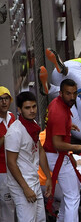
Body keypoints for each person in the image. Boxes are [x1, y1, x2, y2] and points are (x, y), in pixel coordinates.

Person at [44, 79, 81, 222]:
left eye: (74, 93)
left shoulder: (57, 103)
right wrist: (80, 147)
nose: (72, 97)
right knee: (73, 196)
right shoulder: (59, 112)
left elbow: (55, 127)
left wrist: (67, 126)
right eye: (68, 93)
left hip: (55, 155)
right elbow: (57, 144)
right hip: (57, 155)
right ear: (60, 93)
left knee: (70, 194)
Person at [4, 92, 52, 222]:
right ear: (19, 110)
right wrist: (25, 188)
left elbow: (40, 151)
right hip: (22, 186)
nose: (32, 110)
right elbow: (11, 163)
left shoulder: (33, 124)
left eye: (34, 107)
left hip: (34, 180)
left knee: (41, 219)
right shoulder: (15, 132)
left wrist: (48, 177)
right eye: (27, 108)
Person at [0, 86, 16, 220]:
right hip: (2, 171)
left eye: (6, 99)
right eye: (0, 99)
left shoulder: (11, 117)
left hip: (14, 168)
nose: (4, 102)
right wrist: (6, 137)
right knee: (6, 203)